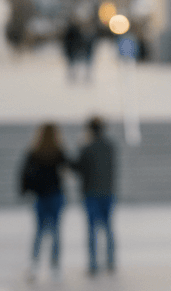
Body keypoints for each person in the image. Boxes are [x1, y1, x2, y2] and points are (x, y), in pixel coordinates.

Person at [19, 123, 67, 281]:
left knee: (39, 231)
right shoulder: (58, 151)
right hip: (55, 195)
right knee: (55, 231)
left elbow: (24, 174)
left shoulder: (34, 152)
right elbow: (69, 167)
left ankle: (34, 265)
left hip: (40, 196)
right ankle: (55, 267)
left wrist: (24, 191)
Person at [72, 116, 117, 275]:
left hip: (91, 192)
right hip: (108, 191)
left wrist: (80, 146)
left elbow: (78, 168)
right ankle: (111, 261)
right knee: (108, 227)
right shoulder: (110, 146)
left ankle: (93, 264)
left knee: (92, 229)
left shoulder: (87, 148)